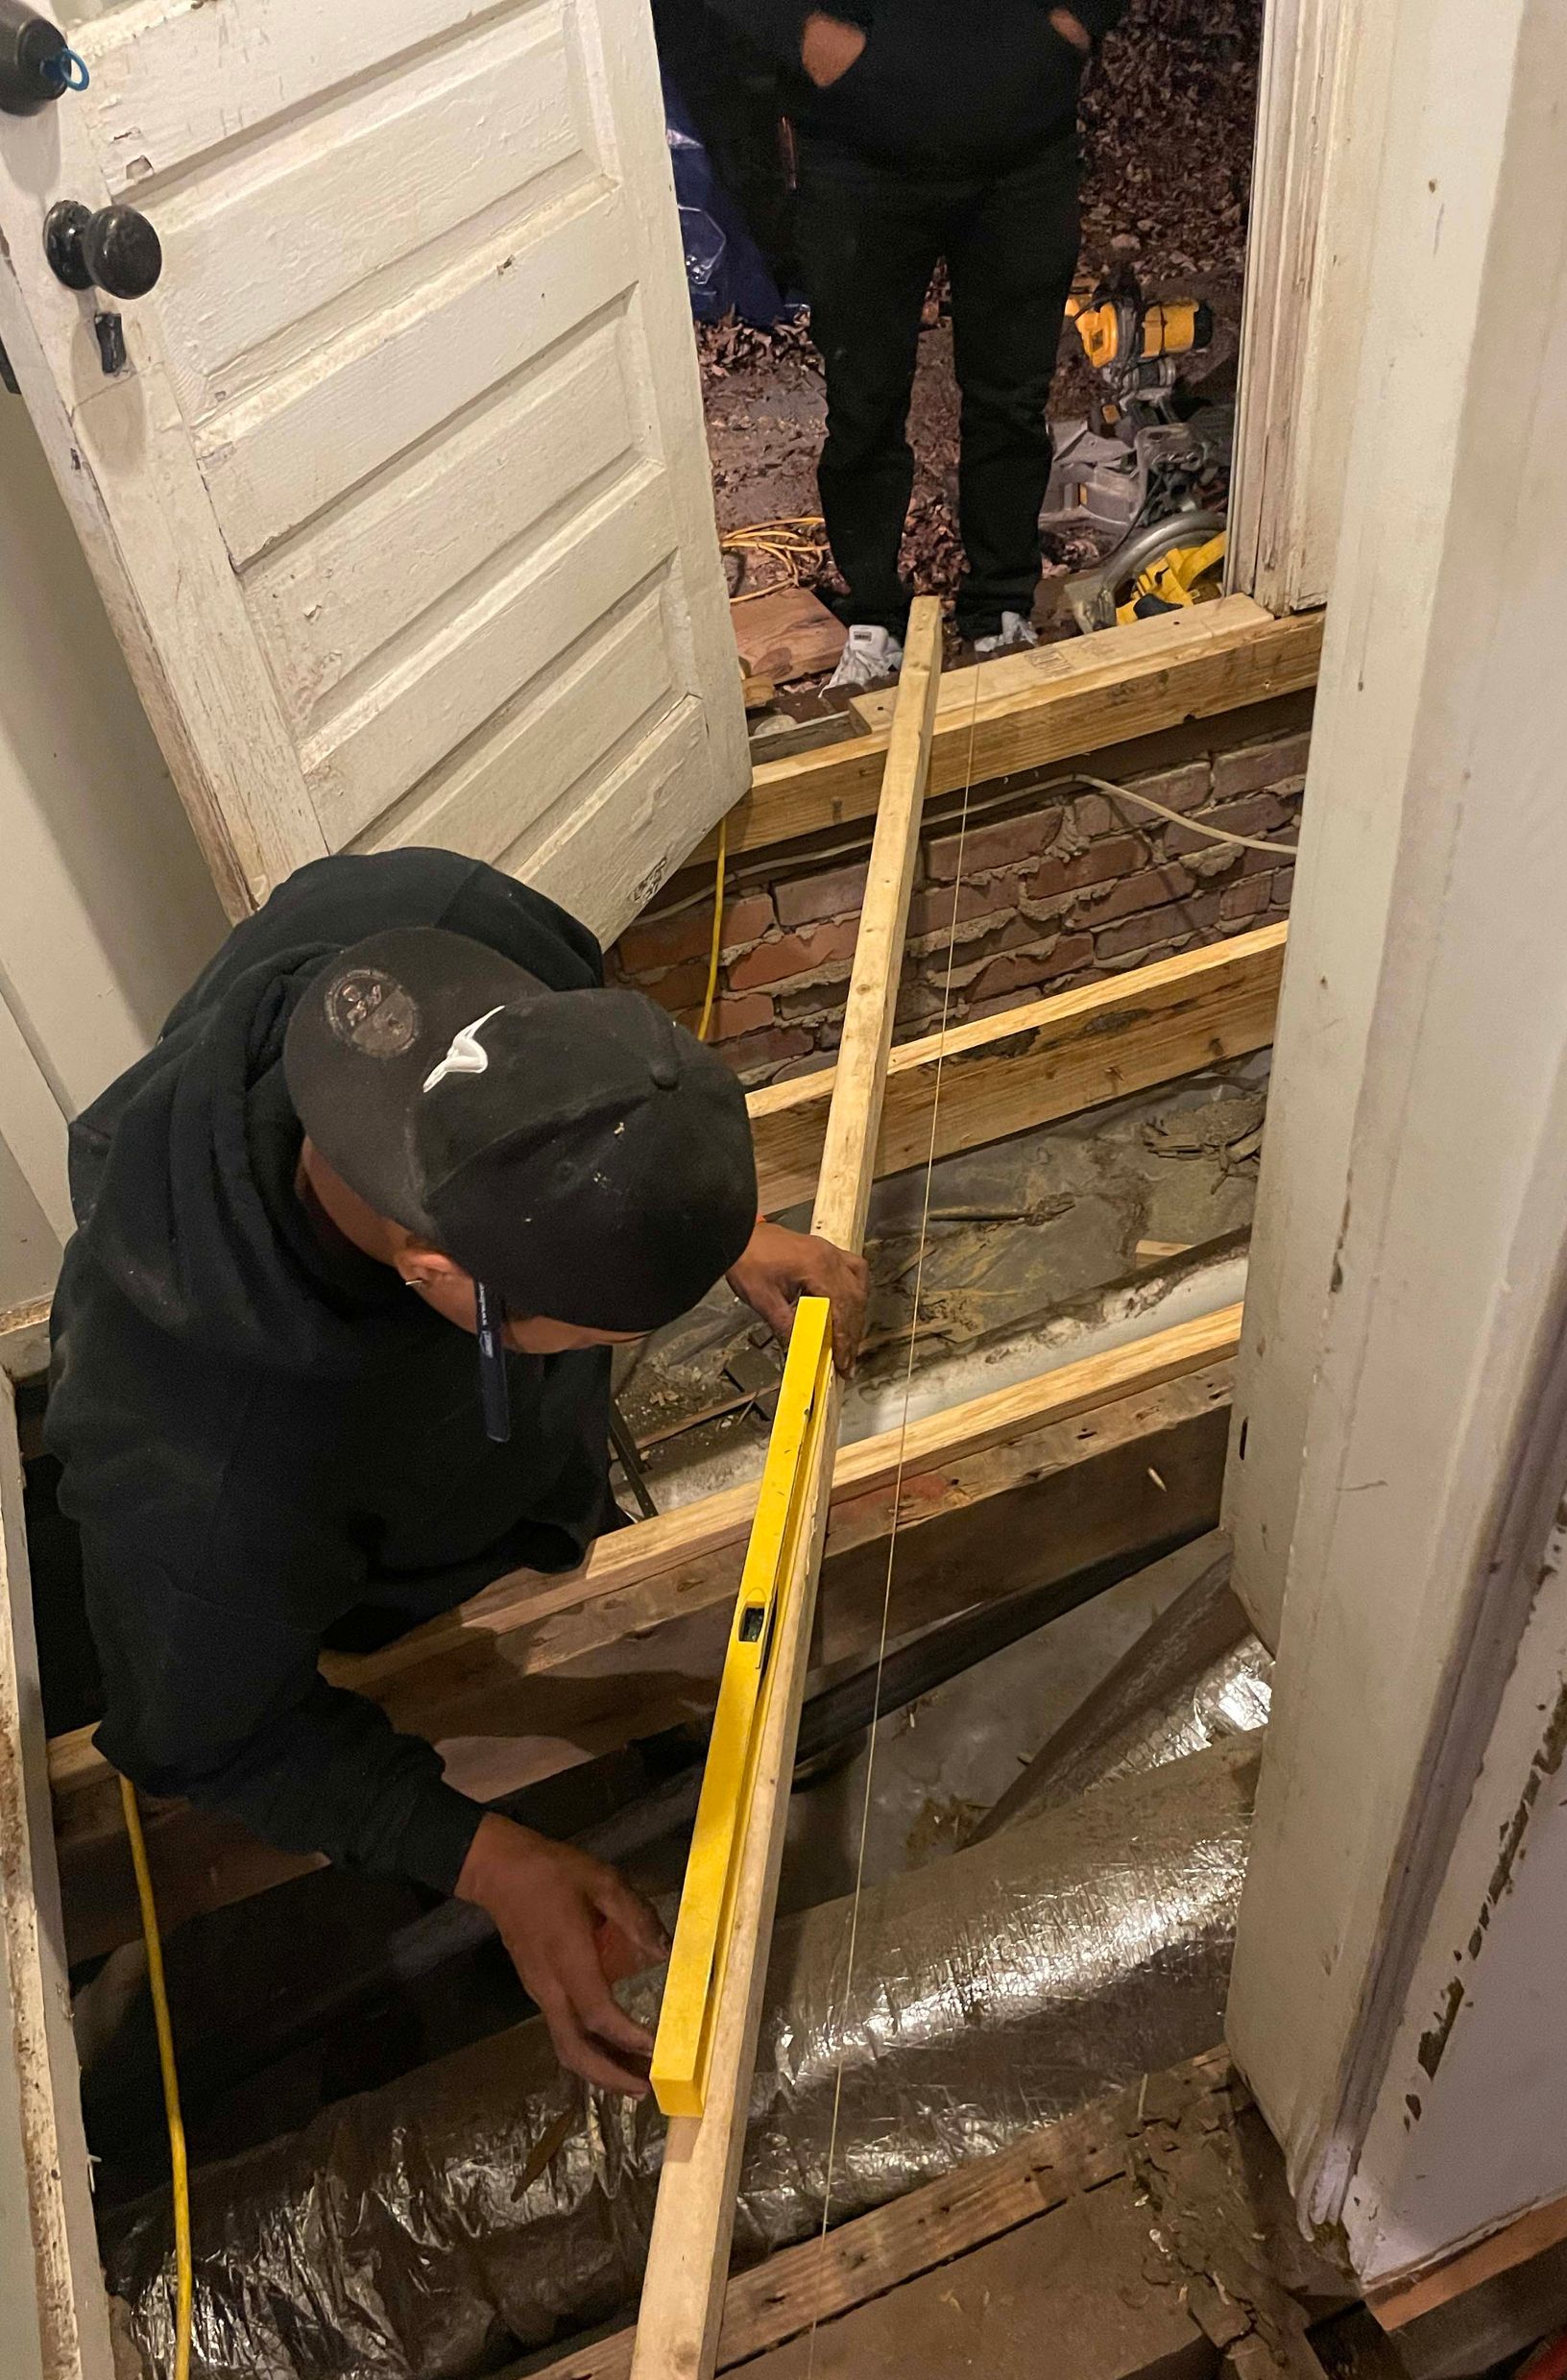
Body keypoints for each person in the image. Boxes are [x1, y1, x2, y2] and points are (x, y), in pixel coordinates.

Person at [45, 849, 867, 2096]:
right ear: (444, 1277)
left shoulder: (449, 923)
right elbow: (205, 1739)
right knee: (294, 1669)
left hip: (458, 1427)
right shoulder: (211, 1473)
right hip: (375, 1563)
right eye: (602, 1333)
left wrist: (700, 1219)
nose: (625, 1348)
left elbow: (575, 1109)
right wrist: (488, 1859)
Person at [711, 0, 1126, 687]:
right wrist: (807, 36)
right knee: (863, 406)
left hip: (1024, 146)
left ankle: (1000, 610)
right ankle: (876, 618)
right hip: (857, 153)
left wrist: (1074, 21)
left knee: (1012, 400)